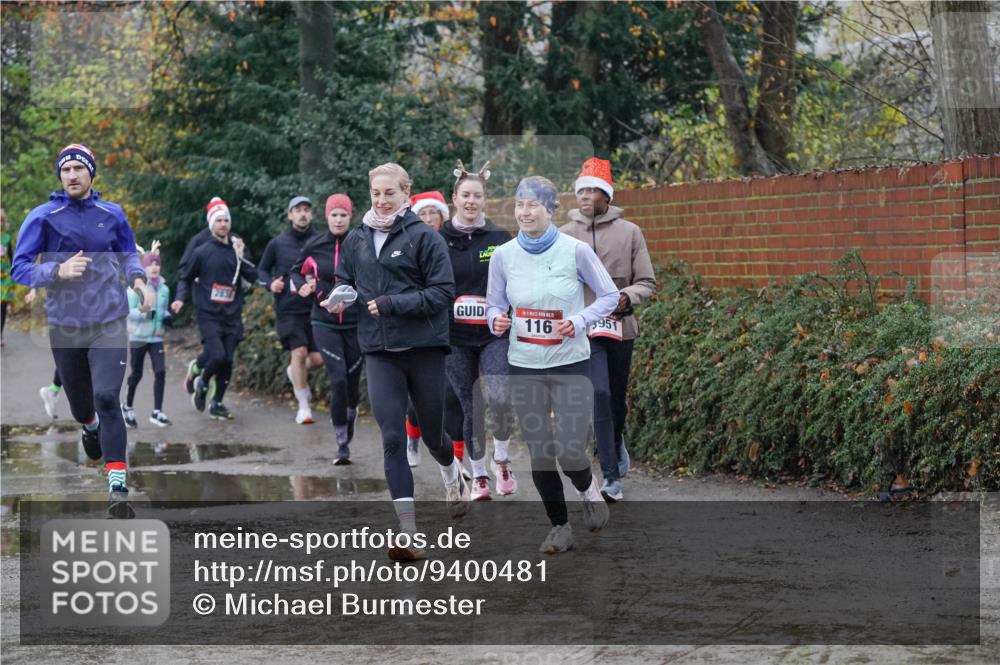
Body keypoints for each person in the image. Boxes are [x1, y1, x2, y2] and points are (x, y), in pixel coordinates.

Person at [328, 162, 468, 561]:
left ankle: (450, 471)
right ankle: (408, 532)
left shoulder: (425, 238)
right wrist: (339, 297)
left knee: (432, 435)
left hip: (423, 348)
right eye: (376, 193)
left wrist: (393, 304)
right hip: (379, 350)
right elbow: (345, 279)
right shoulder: (357, 238)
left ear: (407, 193)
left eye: (390, 193)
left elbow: (443, 293)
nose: (382, 200)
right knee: (392, 438)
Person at [11, 143, 153, 511]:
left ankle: (117, 486)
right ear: (60, 176)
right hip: (66, 325)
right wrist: (56, 271)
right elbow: (20, 267)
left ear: (91, 173)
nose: (72, 175)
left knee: (108, 397)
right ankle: (88, 425)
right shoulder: (44, 216)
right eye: (66, 169)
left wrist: (138, 280)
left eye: (79, 168)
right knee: (81, 406)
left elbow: (128, 253)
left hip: (108, 319)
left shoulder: (112, 213)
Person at [485, 175, 618, 554]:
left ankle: (587, 490)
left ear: (551, 209)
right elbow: (494, 303)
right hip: (524, 363)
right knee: (541, 452)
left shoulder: (575, 251)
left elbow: (609, 296)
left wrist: (578, 322)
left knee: (570, 450)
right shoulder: (503, 256)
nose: (524, 212)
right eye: (519, 205)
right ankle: (560, 527)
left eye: (533, 205)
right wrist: (496, 318)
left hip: (570, 363)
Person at [560, 157, 656, 502]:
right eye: (581, 190)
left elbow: (647, 281)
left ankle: (615, 441)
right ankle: (611, 476)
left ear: (607, 196)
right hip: (585, 330)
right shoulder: (564, 236)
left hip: (620, 328)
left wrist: (624, 298)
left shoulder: (630, 232)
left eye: (592, 190)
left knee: (615, 400)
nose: (585, 196)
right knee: (598, 395)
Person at [440, 161, 517, 499]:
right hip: (455, 338)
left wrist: (508, 314)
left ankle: (501, 457)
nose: (471, 201)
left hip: (493, 333)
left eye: (477, 196)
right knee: (470, 406)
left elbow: (517, 283)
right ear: (454, 198)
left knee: (499, 397)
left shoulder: (500, 238)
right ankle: (480, 475)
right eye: (465, 195)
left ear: (485, 200)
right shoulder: (438, 238)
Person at [290, 194, 363, 463]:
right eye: (334, 214)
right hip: (324, 321)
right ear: (327, 217)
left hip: (355, 322)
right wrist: (303, 285)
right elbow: (296, 271)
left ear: (350, 217)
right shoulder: (315, 244)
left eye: (343, 214)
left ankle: (350, 417)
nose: (339, 219)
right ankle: (341, 442)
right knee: (338, 378)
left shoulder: (360, 244)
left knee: (353, 387)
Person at [171, 197, 258, 420]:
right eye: (219, 220)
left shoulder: (237, 246)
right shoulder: (201, 251)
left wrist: (242, 256)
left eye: (226, 220)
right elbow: (186, 277)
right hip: (208, 313)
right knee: (217, 355)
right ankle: (202, 381)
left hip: (232, 313)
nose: (223, 224)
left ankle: (217, 402)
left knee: (228, 361)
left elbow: (253, 276)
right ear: (212, 224)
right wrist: (180, 298)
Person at [405, 190, 464, 470]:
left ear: (443, 215)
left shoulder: (454, 242)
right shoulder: (408, 243)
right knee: (419, 397)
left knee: (453, 396)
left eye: (434, 213)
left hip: (452, 326)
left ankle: (461, 461)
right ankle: (412, 438)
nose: (429, 219)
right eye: (423, 214)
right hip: (420, 328)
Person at [260, 196, 322, 425]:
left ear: (312, 215)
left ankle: (294, 373)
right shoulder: (278, 243)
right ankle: (303, 407)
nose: (303, 214)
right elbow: (263, 270)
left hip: (315, 307)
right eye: (298, 210)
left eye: (307, 210)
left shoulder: (319, 240)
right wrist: (270, 284)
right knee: (299, 353)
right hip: (288, 308)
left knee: (318, 359)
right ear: (290, 215)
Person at [121, 247, 173, 428]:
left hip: (156, 338)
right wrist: (147, 314)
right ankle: (127, 407)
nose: (154, 268)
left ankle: (157, 412)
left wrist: (165, 317)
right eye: (150, 265)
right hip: (138, 337)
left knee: (160, 372)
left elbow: (163, 308)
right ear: (143, 268)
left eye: (157, 264)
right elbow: (128, 312)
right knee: (137, 373)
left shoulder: (164, 289)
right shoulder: (135, 289)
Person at [1, 208, 12, 346]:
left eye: (1, 220)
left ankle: (0, 334)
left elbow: (12, 257)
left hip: (3, 277)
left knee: (2, 306)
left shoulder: (6, 238)